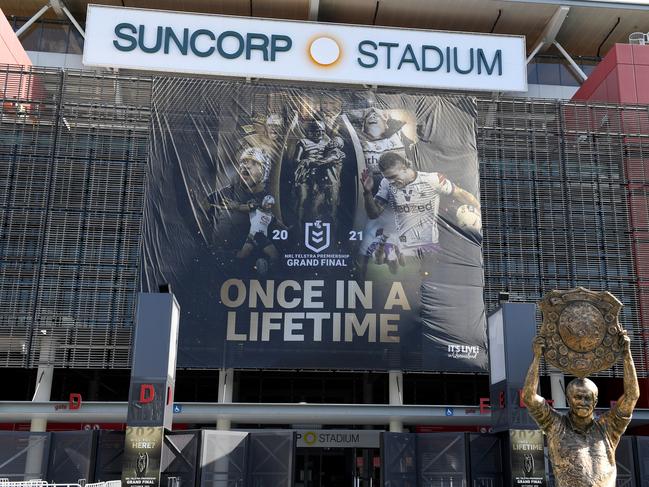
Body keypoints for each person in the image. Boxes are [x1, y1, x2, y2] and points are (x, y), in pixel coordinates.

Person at [522, 332, 640, 487]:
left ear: (595, 401)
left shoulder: (608, 428)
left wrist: (626, 354)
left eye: (587, 398)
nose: (583, 402)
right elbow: (529, 397)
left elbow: (632, 396)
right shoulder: (556, 425)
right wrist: (537, 357)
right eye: (578, 397)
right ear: (569, 399)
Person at [361, 152, 479, 256]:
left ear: (404, 168)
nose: (391, 181)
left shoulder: (432, 180)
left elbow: (460, 193)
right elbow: (374, 214)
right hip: (404, 247)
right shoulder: (386, 183)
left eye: (393, 177)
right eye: (387, 178)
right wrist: (367, 192)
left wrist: (479, 207)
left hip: (429, 246)